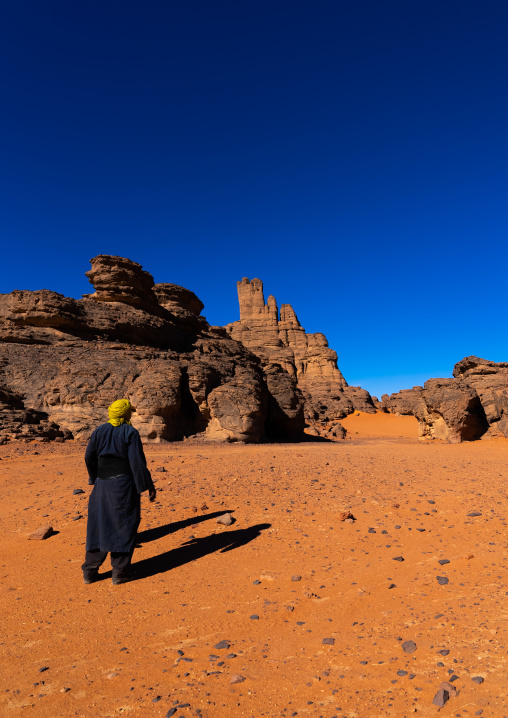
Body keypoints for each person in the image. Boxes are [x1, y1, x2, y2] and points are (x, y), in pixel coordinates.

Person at [81, 399, 156, 585]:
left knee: (98, 525)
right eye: (129, 411)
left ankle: (89, 572)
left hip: (101, 486)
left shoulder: (99, 430)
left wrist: (94, 477)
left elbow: (89, 456)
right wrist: (146, 486)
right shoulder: (130, 432)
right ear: (125, 414)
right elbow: (137, 463)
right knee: (124, 524)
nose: (131, 414)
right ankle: (119, 573)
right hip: (123, 485)